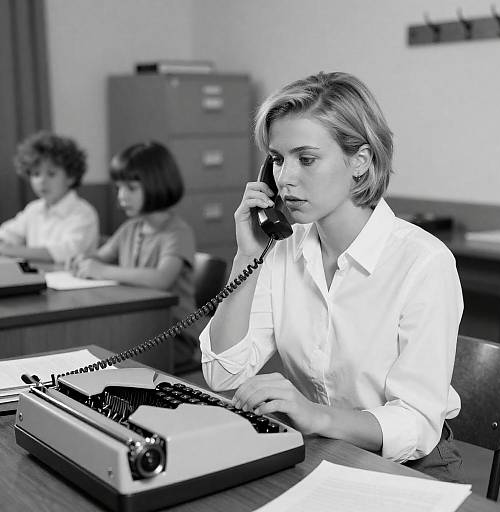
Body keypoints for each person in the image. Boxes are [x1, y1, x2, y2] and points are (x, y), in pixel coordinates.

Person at [199, 72, 465, 482]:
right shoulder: (282, 248)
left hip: (407, 466)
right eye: (277, 159)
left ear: (359, 161)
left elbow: (415, 424)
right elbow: (222, 373)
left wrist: (315, 416)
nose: (285, 178)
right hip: (320, 448)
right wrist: (246, 255)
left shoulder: (424, 263)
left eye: (306, 159)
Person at [71, 141, 201, 372]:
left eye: (130, 188)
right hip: (140, 324)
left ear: (157, 185)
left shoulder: (177, 232)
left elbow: (161, 278)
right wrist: (82, 259)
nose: (121, 196)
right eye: (118, 188)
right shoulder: (131, 228)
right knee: (102, 342)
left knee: (110, 346)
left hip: (173, 335)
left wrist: (100, 270)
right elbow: (100, 257)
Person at [0, 131, 99, 264]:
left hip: (71, 281)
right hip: (37, 279)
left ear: (71, 177)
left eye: (51, 174)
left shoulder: (83, 213)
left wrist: (9, 250)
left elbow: (63, 253)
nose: (42, 181)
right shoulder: (33, 209)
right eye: (36, 174)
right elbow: (7, 234)